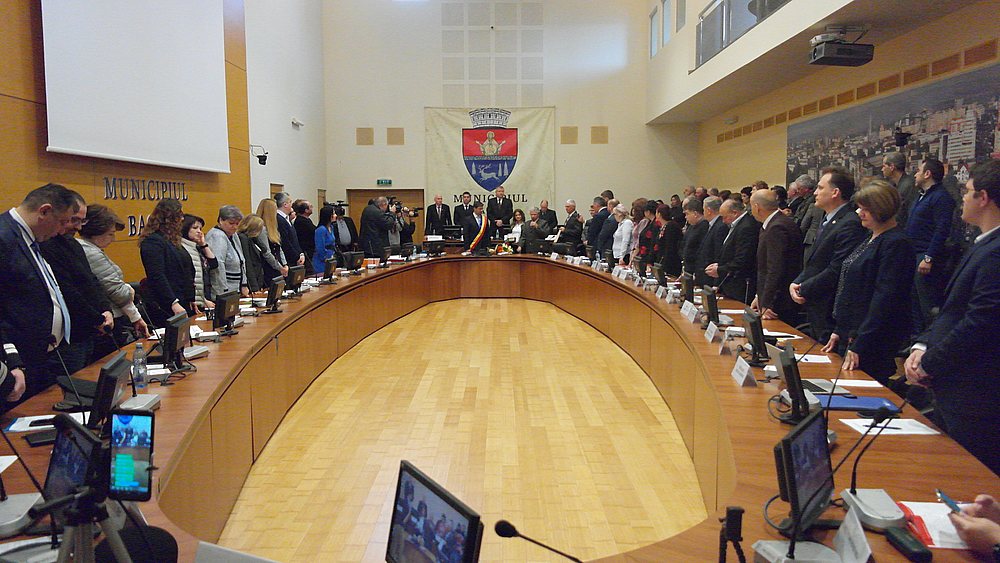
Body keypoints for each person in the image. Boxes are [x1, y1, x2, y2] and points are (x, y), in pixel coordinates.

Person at [905, 159, 1000, 475]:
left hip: (975, 393)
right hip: (955, 384)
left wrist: (930, 363)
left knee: (967, 477)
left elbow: (980, 323)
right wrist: (921, 346)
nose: (963, 199)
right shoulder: (983, 244)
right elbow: (950, 310)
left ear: (983, 198)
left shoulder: (995, 252)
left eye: (968, 192)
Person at [823, 181, 914, 385]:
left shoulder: (896, 243)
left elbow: (884, 298)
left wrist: (860, 342)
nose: (859, 213)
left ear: (881, 210)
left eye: (865, 209)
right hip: (852, 333)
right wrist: (840, 329)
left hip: (871, 340)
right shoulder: (871, 237)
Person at [0, 184, 85, 399]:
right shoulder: (3, 238)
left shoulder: (30, 238)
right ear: (44, 211)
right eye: (62, 222)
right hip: (17, 364)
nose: (63, 230)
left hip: (41, 356)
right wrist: (11, 359)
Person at [789, 167, 867, 342]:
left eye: (820, 188)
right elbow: (815, 262)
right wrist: (797, 282)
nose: (815, 193)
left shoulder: (849, 223)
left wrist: (803, 287)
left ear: (835, 192)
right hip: (817, 302)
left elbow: (837, 268)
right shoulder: (829, 219)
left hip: (829, 306)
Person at [39, 196, 115, 374]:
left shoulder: (73, 244)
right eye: (74, 220)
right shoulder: (46, 246)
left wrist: (106, 310)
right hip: (70, 337)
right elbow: (66, 290)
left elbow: (91, 281)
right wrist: (97, 319)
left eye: (82, 221)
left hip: (90, 332)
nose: (79, 227)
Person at [78, 205, 150, 361]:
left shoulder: (91, 250)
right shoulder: (91, 253)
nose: (114, 239)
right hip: (108, 323)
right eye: (110, 234)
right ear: (96, 231)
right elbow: (118, 292)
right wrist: (129, 290)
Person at [906, 157, 955, 335]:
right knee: (914, 302)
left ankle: (930, 340)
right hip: (914, 254)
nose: (915, 174)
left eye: (919, 171)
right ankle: (916, 339)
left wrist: (929, 257)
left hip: (925, 256)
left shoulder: (941, 197)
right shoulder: (922, 196)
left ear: (927, 174)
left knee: (927, 304)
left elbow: (942, 230)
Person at [139, 198, 196, 327]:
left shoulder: (172, 240)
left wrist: (190, 297)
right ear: (169, 219)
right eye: (179, 215)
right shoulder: (153, 241)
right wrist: (173, 302)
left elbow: (187, 269)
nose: (182, 219)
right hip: (168, 304)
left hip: (183, 300)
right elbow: (157, 276)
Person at [750, 189, 802, 324]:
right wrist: (759, 296)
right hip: (773, 298)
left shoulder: (777, 227)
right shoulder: (775, 223)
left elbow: (775, 269)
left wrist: (767, 302)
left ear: (757, 207)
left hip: (778, 302)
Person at [706, 198, 759, 302]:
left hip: (740, 284)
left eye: (724, 217)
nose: (723, 221)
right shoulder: (737, 225)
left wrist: (720, 270)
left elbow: (743, 259)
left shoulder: (746, 227)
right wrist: (719, 265)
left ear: (734, 213)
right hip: (730, 283)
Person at [205, 205, 249, 297]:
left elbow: (241, 260)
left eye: (237, 224)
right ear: (221, 220)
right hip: (224, 290)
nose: (235, 227)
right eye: (231, 223)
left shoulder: (233, 235)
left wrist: (244, 284)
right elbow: (219, 265)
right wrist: (223, 290)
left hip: (236, 287)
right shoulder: (217, 236)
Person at [180, 214, 217, 311]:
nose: (199, 231)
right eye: (195, 228)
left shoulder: (196, 247)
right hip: (195, 302)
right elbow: (192, 279)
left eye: (200, 228)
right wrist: (203, 300)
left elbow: (213, 264)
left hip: (204, 297)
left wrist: (203, 244)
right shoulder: (183, 249)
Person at [694, 196, 727, 286]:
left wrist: (716, 283)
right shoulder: (712, 225)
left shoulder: (720, 226)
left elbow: (718, 254)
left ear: (708, 210)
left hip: (711, 276)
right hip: (705, 274)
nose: (703, 212)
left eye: (703, 209)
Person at [256, 198, 288, 282]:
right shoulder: (262, 229)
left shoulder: (273, 228)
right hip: (269, 268)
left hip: (278, 266)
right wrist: (280, 267)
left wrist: (285, 264)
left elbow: (279, 248)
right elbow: (267, 253)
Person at [881, 151, 916, 228]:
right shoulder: (894, 184)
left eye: (884, 166)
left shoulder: (908, 186)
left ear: (892, 167)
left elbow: (906, 214)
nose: (882, 169)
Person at [274, 192, 306, 270]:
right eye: (290, 202)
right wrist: (297, 257)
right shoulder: (279, 219)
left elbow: (294, 239)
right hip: (289, 260)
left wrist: (301, 254)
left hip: (295, 258)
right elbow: (285, 242)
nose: (292, 204)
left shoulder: (287, 218)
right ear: (285, 204)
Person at [237, 215, 268, 292]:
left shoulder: (251, 238)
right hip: (251, 282)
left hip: (258, 278)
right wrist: (254, 287)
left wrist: (256, 238)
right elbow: (248, 263)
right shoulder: (243, 238)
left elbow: (264, 249)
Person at [681, 196, 707, 275]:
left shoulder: (704, 226)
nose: (685, 217)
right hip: (687, 267)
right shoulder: (691, 226)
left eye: (687, 214)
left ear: (695, 214)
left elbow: (700, 251)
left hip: (696, 269)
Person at [654, 204, 683, 276]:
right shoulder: (664, 226)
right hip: (663, 259)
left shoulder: (671, 226)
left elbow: (670, 247)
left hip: (671, 263)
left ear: (659, 214)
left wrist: (664, 264)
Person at [292, 199, 316, 270]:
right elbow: (314, 232)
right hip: (306, 251)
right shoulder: (301, 221)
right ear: (306, 210)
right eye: (310, 206)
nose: (312, 207)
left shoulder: (307, 220)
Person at [313, 205, 338, 272]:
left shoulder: (331, 227)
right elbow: (320, 247)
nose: (336, 215)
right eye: (333, 214)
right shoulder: (321, 230)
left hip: (331, 257)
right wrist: (325, 258)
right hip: (322, 261)